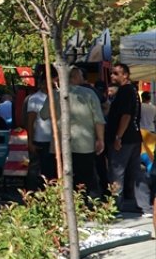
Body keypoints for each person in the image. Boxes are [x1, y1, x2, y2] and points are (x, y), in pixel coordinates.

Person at [41, 67, 104, 196]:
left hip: (60, 146)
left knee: (60, 180)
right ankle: (84, 206)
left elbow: (43, 115)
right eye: (81, 75)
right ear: (74, 77)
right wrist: (100, 139)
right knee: (84, 180)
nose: (83, 78)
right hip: (85, 146)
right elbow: (99, 120)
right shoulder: (89, 94)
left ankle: (63, 206)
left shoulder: (55, 95)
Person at [104, 63, 143, 212]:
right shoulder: (132, 90)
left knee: (117, 172)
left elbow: (126, 116)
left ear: (125, 75)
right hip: (134, 137)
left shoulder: (126, 91)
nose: (112, 76)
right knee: (134, 173)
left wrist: (118, 137)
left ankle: (115, 206)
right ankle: (138, 204)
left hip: (125, 139)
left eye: (115, 73)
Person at [24, 71, 56, 190]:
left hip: (53, 139)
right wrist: (30, 141)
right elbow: (30, 121)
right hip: (40, 139)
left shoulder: (56, 96)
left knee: (51, 170)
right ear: (43, 83)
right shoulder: (35, 99)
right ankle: (31, 194)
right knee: (35, 169)